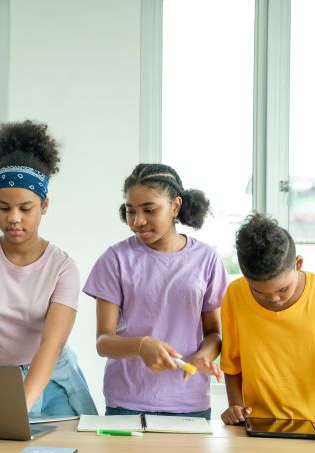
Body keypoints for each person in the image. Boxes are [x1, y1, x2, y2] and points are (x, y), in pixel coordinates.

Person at [0, 120, 97, 417]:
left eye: (25, 208)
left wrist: (19, 406)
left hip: (54, 380)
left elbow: (51, 343)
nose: (13, 218)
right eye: (3, 207)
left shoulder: (63, 267)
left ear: (44, 205)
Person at [82, 163, 227, 419]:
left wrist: (203, 356)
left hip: (189, 403)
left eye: (149, 210)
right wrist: (141, 346)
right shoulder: (116, 259)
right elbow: (103, 342)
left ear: (175, 206)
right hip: (127, 403)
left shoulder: (207, 259)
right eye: (130, 211)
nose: (138, 221)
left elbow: (214, 333)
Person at [220, 212, 315, 448]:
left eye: (283, 289)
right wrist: (237, 409)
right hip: (261, 430)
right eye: (260, 292)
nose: (274, 299)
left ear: (298, 264)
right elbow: (233, 365)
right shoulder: (235, 294)